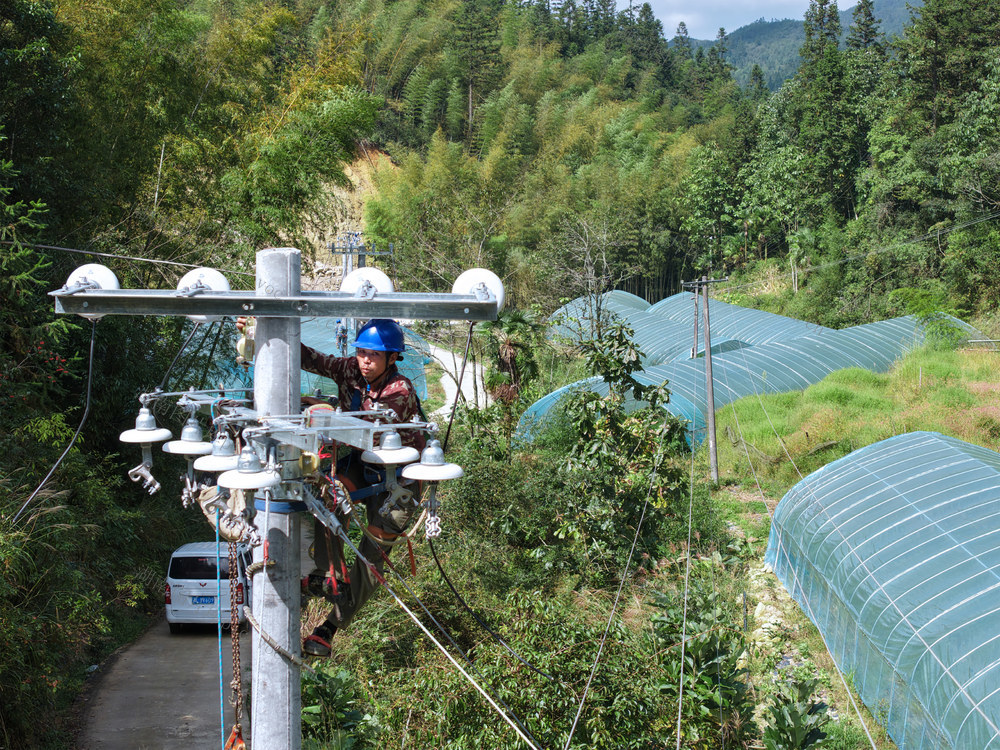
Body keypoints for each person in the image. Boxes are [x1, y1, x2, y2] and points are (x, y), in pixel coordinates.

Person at [235, 316, 426, 657]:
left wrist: (324, 413)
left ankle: (330, 626)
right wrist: (261, 329)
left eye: (374, 356)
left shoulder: (401, 390)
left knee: (372, 559)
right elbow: (309, 357)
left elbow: (372, 427)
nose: (365, 362)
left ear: (392, 358)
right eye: (362, 353)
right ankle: (327, 573)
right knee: (327, 498)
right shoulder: (348, 370)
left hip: (401, 479)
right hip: (362, 463)